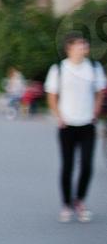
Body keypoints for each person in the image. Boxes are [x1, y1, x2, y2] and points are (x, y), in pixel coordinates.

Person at [45, 33, 106, 223]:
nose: (84, 48)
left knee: (87, 165)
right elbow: (52, 95)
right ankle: (66, 204)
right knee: (68, 166)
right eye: (80, 45)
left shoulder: (94, 69)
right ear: (69, 48)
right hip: (67, 124)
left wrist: (96, 111)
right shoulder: (59, 69)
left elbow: (100, 92)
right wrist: (59, 116)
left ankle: (79, 200)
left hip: (87, 123)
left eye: (85, 44)